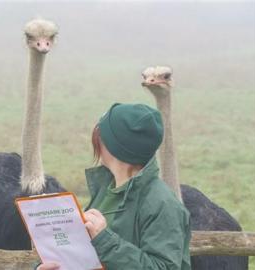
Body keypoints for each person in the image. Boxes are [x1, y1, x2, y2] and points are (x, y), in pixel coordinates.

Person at [37, 103, 191, 270]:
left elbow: (163, 267)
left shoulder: (162, 204)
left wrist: (105, 241)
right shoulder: (106, 189)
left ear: (114, 146)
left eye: (101, 134)